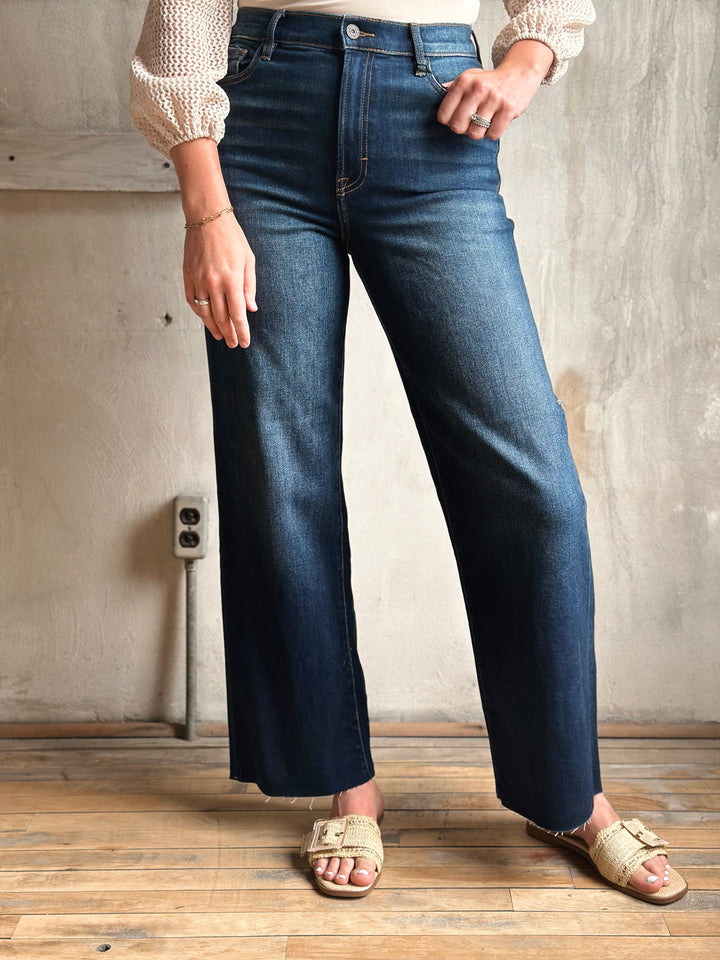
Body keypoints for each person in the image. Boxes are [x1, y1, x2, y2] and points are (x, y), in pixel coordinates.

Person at [130, 0, 688, 903]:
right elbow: (183, 20)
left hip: (434, 121)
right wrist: (206, 212)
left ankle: (570, 794)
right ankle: (346, 782)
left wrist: (527, 63)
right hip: (263, 119)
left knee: (533, 486)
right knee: (281, 473)